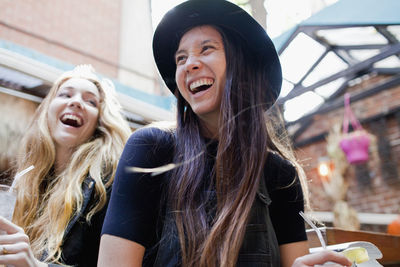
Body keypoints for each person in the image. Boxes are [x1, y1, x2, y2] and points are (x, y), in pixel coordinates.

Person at [98, 1, 352, 267]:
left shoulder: (281, 175)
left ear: (242, 66)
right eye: (181, 58)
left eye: (206, 49)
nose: (190, 65)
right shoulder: (150, 149)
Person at [0, 65, 131, 267]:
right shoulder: (30, 183)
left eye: (90, 101)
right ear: (47, 111)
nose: (76, 102)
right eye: (65, 94)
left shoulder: (108, 185)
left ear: (99, 122)